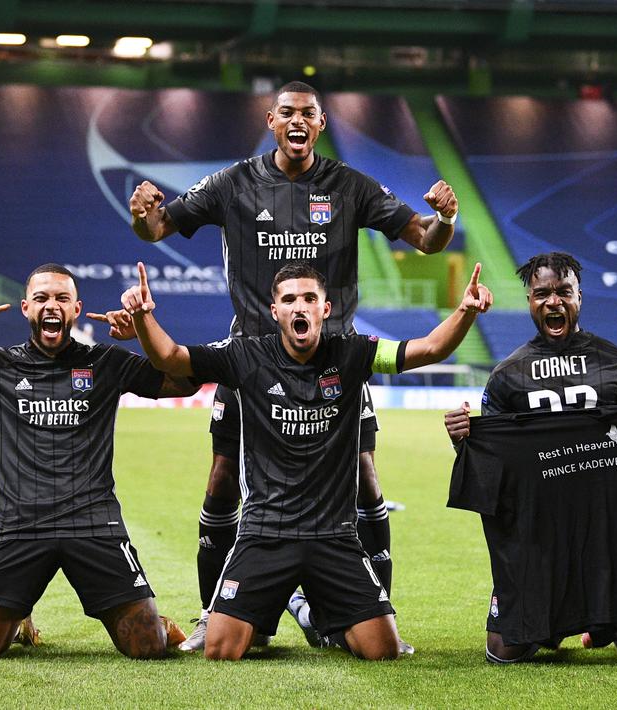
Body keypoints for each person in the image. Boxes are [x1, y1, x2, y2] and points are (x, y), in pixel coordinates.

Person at [128, 80, 459, 651]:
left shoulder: (349, 186)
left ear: (321, 123)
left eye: (308, 113)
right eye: (287, 113)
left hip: (337, 361)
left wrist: (445, 220)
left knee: (364, 477)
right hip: (250, 360)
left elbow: (426, 239)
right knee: (222, 481)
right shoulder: (233, 183)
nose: (297, 121)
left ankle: (368, 607)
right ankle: (217, 612)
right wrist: (143, 214)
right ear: (271, 120)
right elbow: (155, 230)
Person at [121, 260, 491, 660]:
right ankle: (286, 601)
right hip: (265, 532)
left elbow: (430, 348)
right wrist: (144, 317)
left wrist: (465, 310)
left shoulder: (354, 354)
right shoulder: (244, 356)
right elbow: (172, 357)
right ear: (274, 310)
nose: (301, 307)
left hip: (334, 535)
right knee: (220, 650)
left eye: (310, 298)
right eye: (290, 299)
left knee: (382, 651)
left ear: (325, 309)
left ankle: (308, 609)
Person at [0, 263, 194, 659]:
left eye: (61, 298)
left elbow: (185, 381)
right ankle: (17, 611)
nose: (51, 306)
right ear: (25, 308)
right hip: (21, 526)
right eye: (41, 298)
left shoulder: (105, 362)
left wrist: (142, 327)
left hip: (93, 525)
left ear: (75, 309)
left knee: (148, 648)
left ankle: (155, 623)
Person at [444, 252, 617, 664]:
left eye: (563, 292)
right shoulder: (507, 377)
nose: (553, 301)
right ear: (530, 301)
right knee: (504, 652)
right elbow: (493, 467)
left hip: (608, 527)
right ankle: (561, 620)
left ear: (579, 297)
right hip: (538, 527)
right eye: (542, 293)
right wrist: (463, 438)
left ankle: (599, 621)